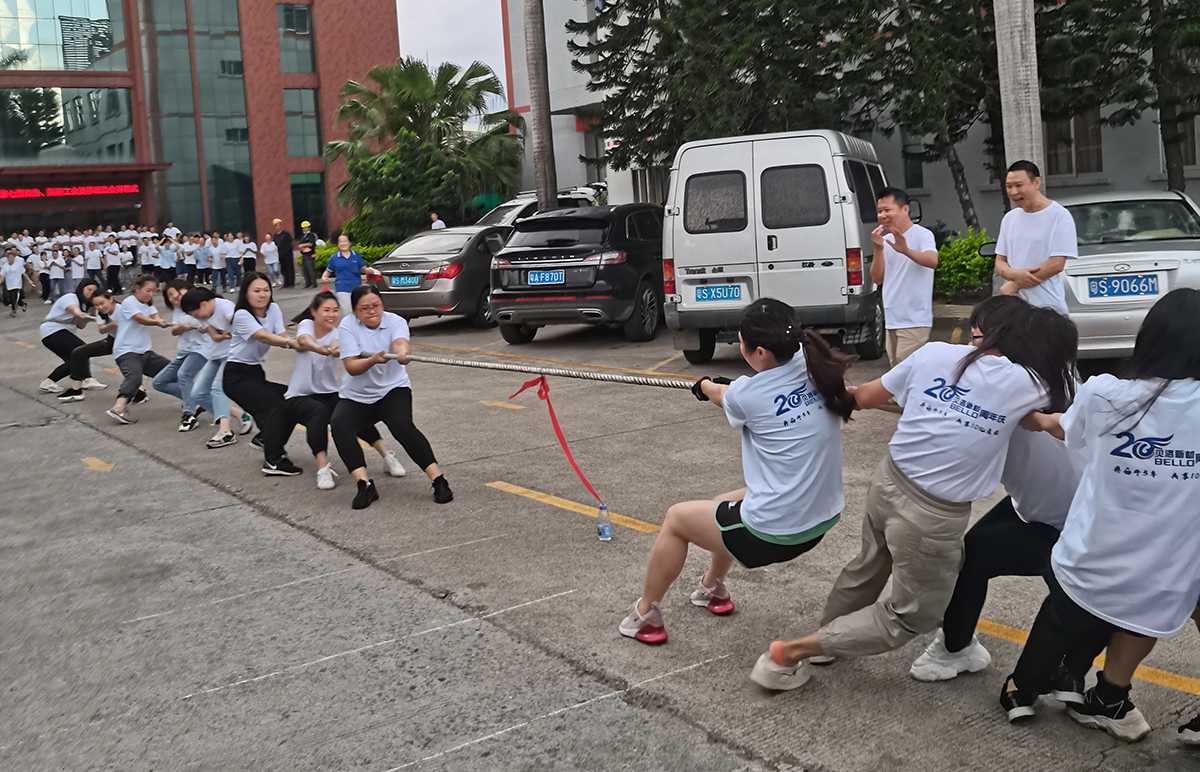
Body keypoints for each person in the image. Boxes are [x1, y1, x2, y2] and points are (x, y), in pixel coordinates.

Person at [750, 298, 1077, 692]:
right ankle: (792, 652)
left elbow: (865, 397)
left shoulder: (936, 353)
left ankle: (824, 644)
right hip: (931, 516)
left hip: (888, 481)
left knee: (869, 564)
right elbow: (1047, 421)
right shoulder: (1030, 384)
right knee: (908, 617)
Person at [1007, 288, 1200, 740]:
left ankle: (1067, 692)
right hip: (1172, 567)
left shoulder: (1104, 394)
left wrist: (1031, 418)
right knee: (1148, 610)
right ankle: (1109, 697)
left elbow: (1061, 427)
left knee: (1075, 617)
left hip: (1090, 561)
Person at [619, 299, 856, 645]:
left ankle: (644, 616)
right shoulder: (814, 365)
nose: (739, 347)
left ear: (759, 352)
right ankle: (711, 589)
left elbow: (720, 393)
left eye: (741, 343)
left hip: (776, 533)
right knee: (721, 505)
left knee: (676, 520)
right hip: (822, 517)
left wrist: (703, 386)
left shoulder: (747, 394)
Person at [909, 298, 1084, 683]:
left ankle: (1064, 677)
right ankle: (959, 648)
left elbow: (939, 408)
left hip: (1067, 522)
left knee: (1068, 599)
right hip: (1055, 507)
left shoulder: (1011, 389)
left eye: (980, 338)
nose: (975, 348)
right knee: (974, 556)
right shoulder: (1062, 374)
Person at [331, 285, 451, 509]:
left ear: (382, 305)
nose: (371, 311)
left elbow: (399, 342)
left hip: (393, 389)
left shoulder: (396, 321)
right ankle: (364, 485)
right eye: (364, 308)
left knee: (402, 426)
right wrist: (372, 360)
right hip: (358, 395)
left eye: (376, 305)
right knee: (339, 423)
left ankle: (438, 480)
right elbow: (351, 366)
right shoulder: (348, 326)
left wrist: (402, 353)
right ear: (355, 311)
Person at [286, 291, 409, 490]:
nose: (331, 315)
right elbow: (304, 341)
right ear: (314, 312)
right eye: (326, 310)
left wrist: (335, 347)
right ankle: (322, 468)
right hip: (300, 394)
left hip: (329, 392)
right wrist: (321, 349)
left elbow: (337, 343)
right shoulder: (306, 325)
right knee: (318, 414)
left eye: (335, 310)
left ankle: (387, 457)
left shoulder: (339, 332)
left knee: (354, 412)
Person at [222, 273, 303, 476]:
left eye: (266, 290)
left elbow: (281, 334)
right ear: (246, 293)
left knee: (291, 398)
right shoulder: (242, 315)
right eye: (256, 291)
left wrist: (300, 343)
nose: (262, 295)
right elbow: (263, 337)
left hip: (255, 371)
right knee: (274, 407)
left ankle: (266, 438)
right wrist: (290, 342)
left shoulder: (273, 309)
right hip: (236, 376)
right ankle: (273, 460)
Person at [993, 160, 1078, 313]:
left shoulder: (1059, 216)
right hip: (1014, 307)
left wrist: (1015, 284)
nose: (1013, 192)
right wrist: (1014, 275)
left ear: (1036, 183)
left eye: (1019, 186)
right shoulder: (1009, 219)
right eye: (1008, 186)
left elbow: (1056, 264)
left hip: (1047, 307)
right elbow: (1000, 261)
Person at [869, 187, 939, 367]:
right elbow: (877, 279)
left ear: (905, 209)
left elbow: (932, 260)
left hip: (914, 318)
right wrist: (878, 248)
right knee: (896, 372)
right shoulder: (884, 240)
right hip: (892, 319)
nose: (882, 215)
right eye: (879, 211)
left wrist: (906, 250)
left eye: (887, 210)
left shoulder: (922, 234)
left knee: (907, 371)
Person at [180, 286, 253, 448]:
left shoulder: (225, 306)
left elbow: (239, 324)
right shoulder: (204, 314)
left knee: (217, 389)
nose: (196, 318)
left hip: (233, 355)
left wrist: (232, 331)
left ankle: (226, 432)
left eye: (195, 314)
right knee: (198, 393)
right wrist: (224, 335)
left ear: (204, 304)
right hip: (216, 355)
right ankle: (242, 415)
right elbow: (214, 336)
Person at [106, 275, 170, 424]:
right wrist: (156, 322)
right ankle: (119, 408)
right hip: (126, 351)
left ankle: (190, 400)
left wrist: (159, 320)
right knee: (134, 378)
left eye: (154, 292)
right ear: (138, 288)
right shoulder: (129, 302)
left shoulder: (148, 305)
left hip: (144, 351)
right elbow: (140, 319)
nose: (151, 294)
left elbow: (154, 315)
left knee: (171, 370)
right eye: (148, 290)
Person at [152, 280, 209, 431]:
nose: (173, 298)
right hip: (185, 352)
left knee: (184, 375)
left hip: (203, 349)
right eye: (169, 297)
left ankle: (189, 415)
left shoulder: (202, 303)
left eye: (175, 294)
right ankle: (197, 399)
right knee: (159, 382)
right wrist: (184, 326)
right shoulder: (178, 309)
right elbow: (174, 331)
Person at [38, 277, 101, 393]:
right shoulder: (71, 297)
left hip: (58, 332)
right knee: (82, 350)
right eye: (89, 289)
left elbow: (80, 326)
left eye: (94, 292)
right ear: (82, 288)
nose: (90, 293)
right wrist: (83, 315)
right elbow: (74, 309)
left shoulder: (85, 306)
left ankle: (48, 382)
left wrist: (84, 316)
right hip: (52, 330)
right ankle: (87, 380)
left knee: (74, 361)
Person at [56, 288, 119, 403]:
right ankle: (76, 390)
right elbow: (101, 329)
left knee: (131, 366)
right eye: (96, 305)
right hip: (112, 341)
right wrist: (113, 324)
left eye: (102, 303)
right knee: (79, 352)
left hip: (128, 342)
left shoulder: (123, 309)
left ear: (111, 299)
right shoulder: (100, 313)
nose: (100, 307)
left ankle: (139, 391)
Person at [321, 233, 380, 315]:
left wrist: (374, 271)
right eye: (340, 242)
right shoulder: (334, 258)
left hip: (357, 287)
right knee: (347, 311)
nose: (343, 244)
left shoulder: (356, 255)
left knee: (358, 309)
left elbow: (363, 269)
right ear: (337, 244)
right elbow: (328, 271)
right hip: (342, 288)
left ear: (350, 243)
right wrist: (324, 277)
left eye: (345, 241)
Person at [2, 248, 27, 316]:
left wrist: (30, 281)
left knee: (14, 297)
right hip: (9, 283)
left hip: (17, 283)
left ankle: (14, 311)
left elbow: (24, 273)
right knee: (13, 298)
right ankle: (23, 304)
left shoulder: (18, 263)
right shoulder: (5, 265)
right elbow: (2, 275)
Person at [274, 218, 295, 288]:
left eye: (279, 225)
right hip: (280, 254)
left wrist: (289, 249)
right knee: (283, 269)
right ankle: (286, 283)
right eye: (276, 226)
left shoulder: (286, 234)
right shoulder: (275, 236)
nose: (278, 227)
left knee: (289, 268)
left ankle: (291, 283)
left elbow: (292, 242)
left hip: (288, 253)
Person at [297, 221, 318, 288]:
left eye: (305, 228)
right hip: (304, 255)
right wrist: (303, 247)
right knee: (305, 269)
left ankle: (314, 283)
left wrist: (303, 245)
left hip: (310, 255)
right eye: (303, 228)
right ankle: (308, 283)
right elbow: (300, 245)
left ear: (308, 228)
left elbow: (311, 244)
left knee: (311, 269)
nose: (304, 229)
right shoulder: (303, 236)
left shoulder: (311, 235)